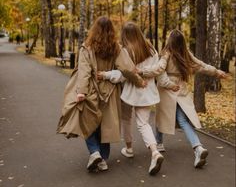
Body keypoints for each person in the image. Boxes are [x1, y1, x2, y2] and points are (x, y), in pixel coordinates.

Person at [57, 17, 145, 172]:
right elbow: (128, 69)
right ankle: (103, 160)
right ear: (111, 31)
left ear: (94, 29)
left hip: (91, 90)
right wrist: (139, 81)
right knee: (106, 125)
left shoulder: (87, 47)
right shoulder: (116, 48)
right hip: (110, 91)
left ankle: (95, 152)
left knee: (87, 122)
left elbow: (84, 71)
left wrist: (81, 92)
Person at [99, 22, 179, 176]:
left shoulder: (125, 51)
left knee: (126, 120)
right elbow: (159, 71)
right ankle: (155, 152)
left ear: (125, 35)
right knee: (143, 124)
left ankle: (129, 149)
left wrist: (106, 74)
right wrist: (168, 84)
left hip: (130, 93)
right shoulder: (152, 50)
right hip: (147, 92)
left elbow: (123, 75)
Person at [140, 29, 227, 168]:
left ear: (170, 41)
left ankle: (160, 142)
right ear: (182, 42)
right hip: (181, 89)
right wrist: (216, 72)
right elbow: (201, 66)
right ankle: (198, 147)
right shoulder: (186, 54)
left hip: (168, 90)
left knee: (161, 115)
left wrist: (141, 71)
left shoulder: (166, 53)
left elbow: (158, 70)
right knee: (182, 120)